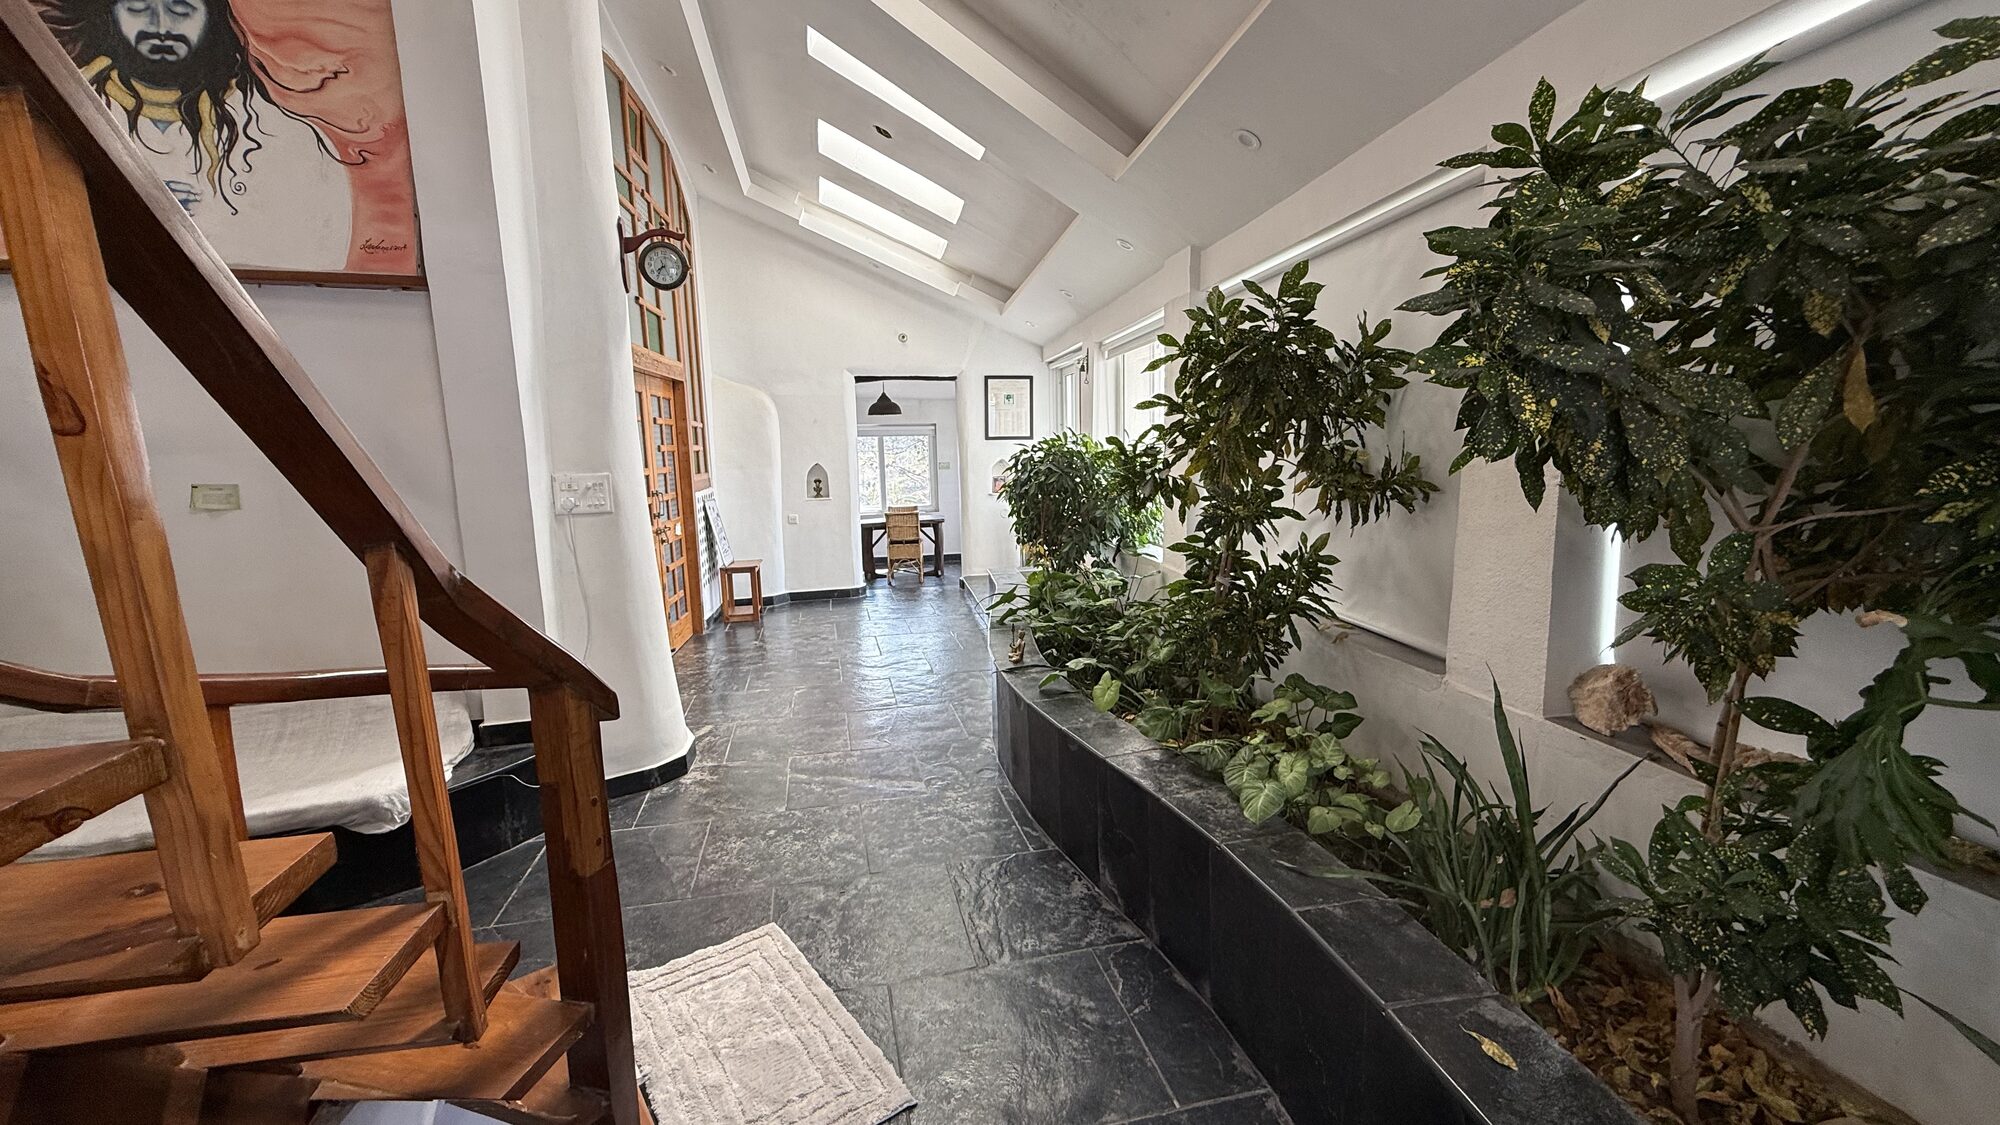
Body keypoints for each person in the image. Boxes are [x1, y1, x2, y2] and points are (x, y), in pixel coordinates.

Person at [40, 0, 354, 268]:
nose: (160, 25)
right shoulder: (52, 117)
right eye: (137, 7)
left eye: (181, 8)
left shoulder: (283, 137)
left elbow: (318, 252)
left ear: (211, 17)